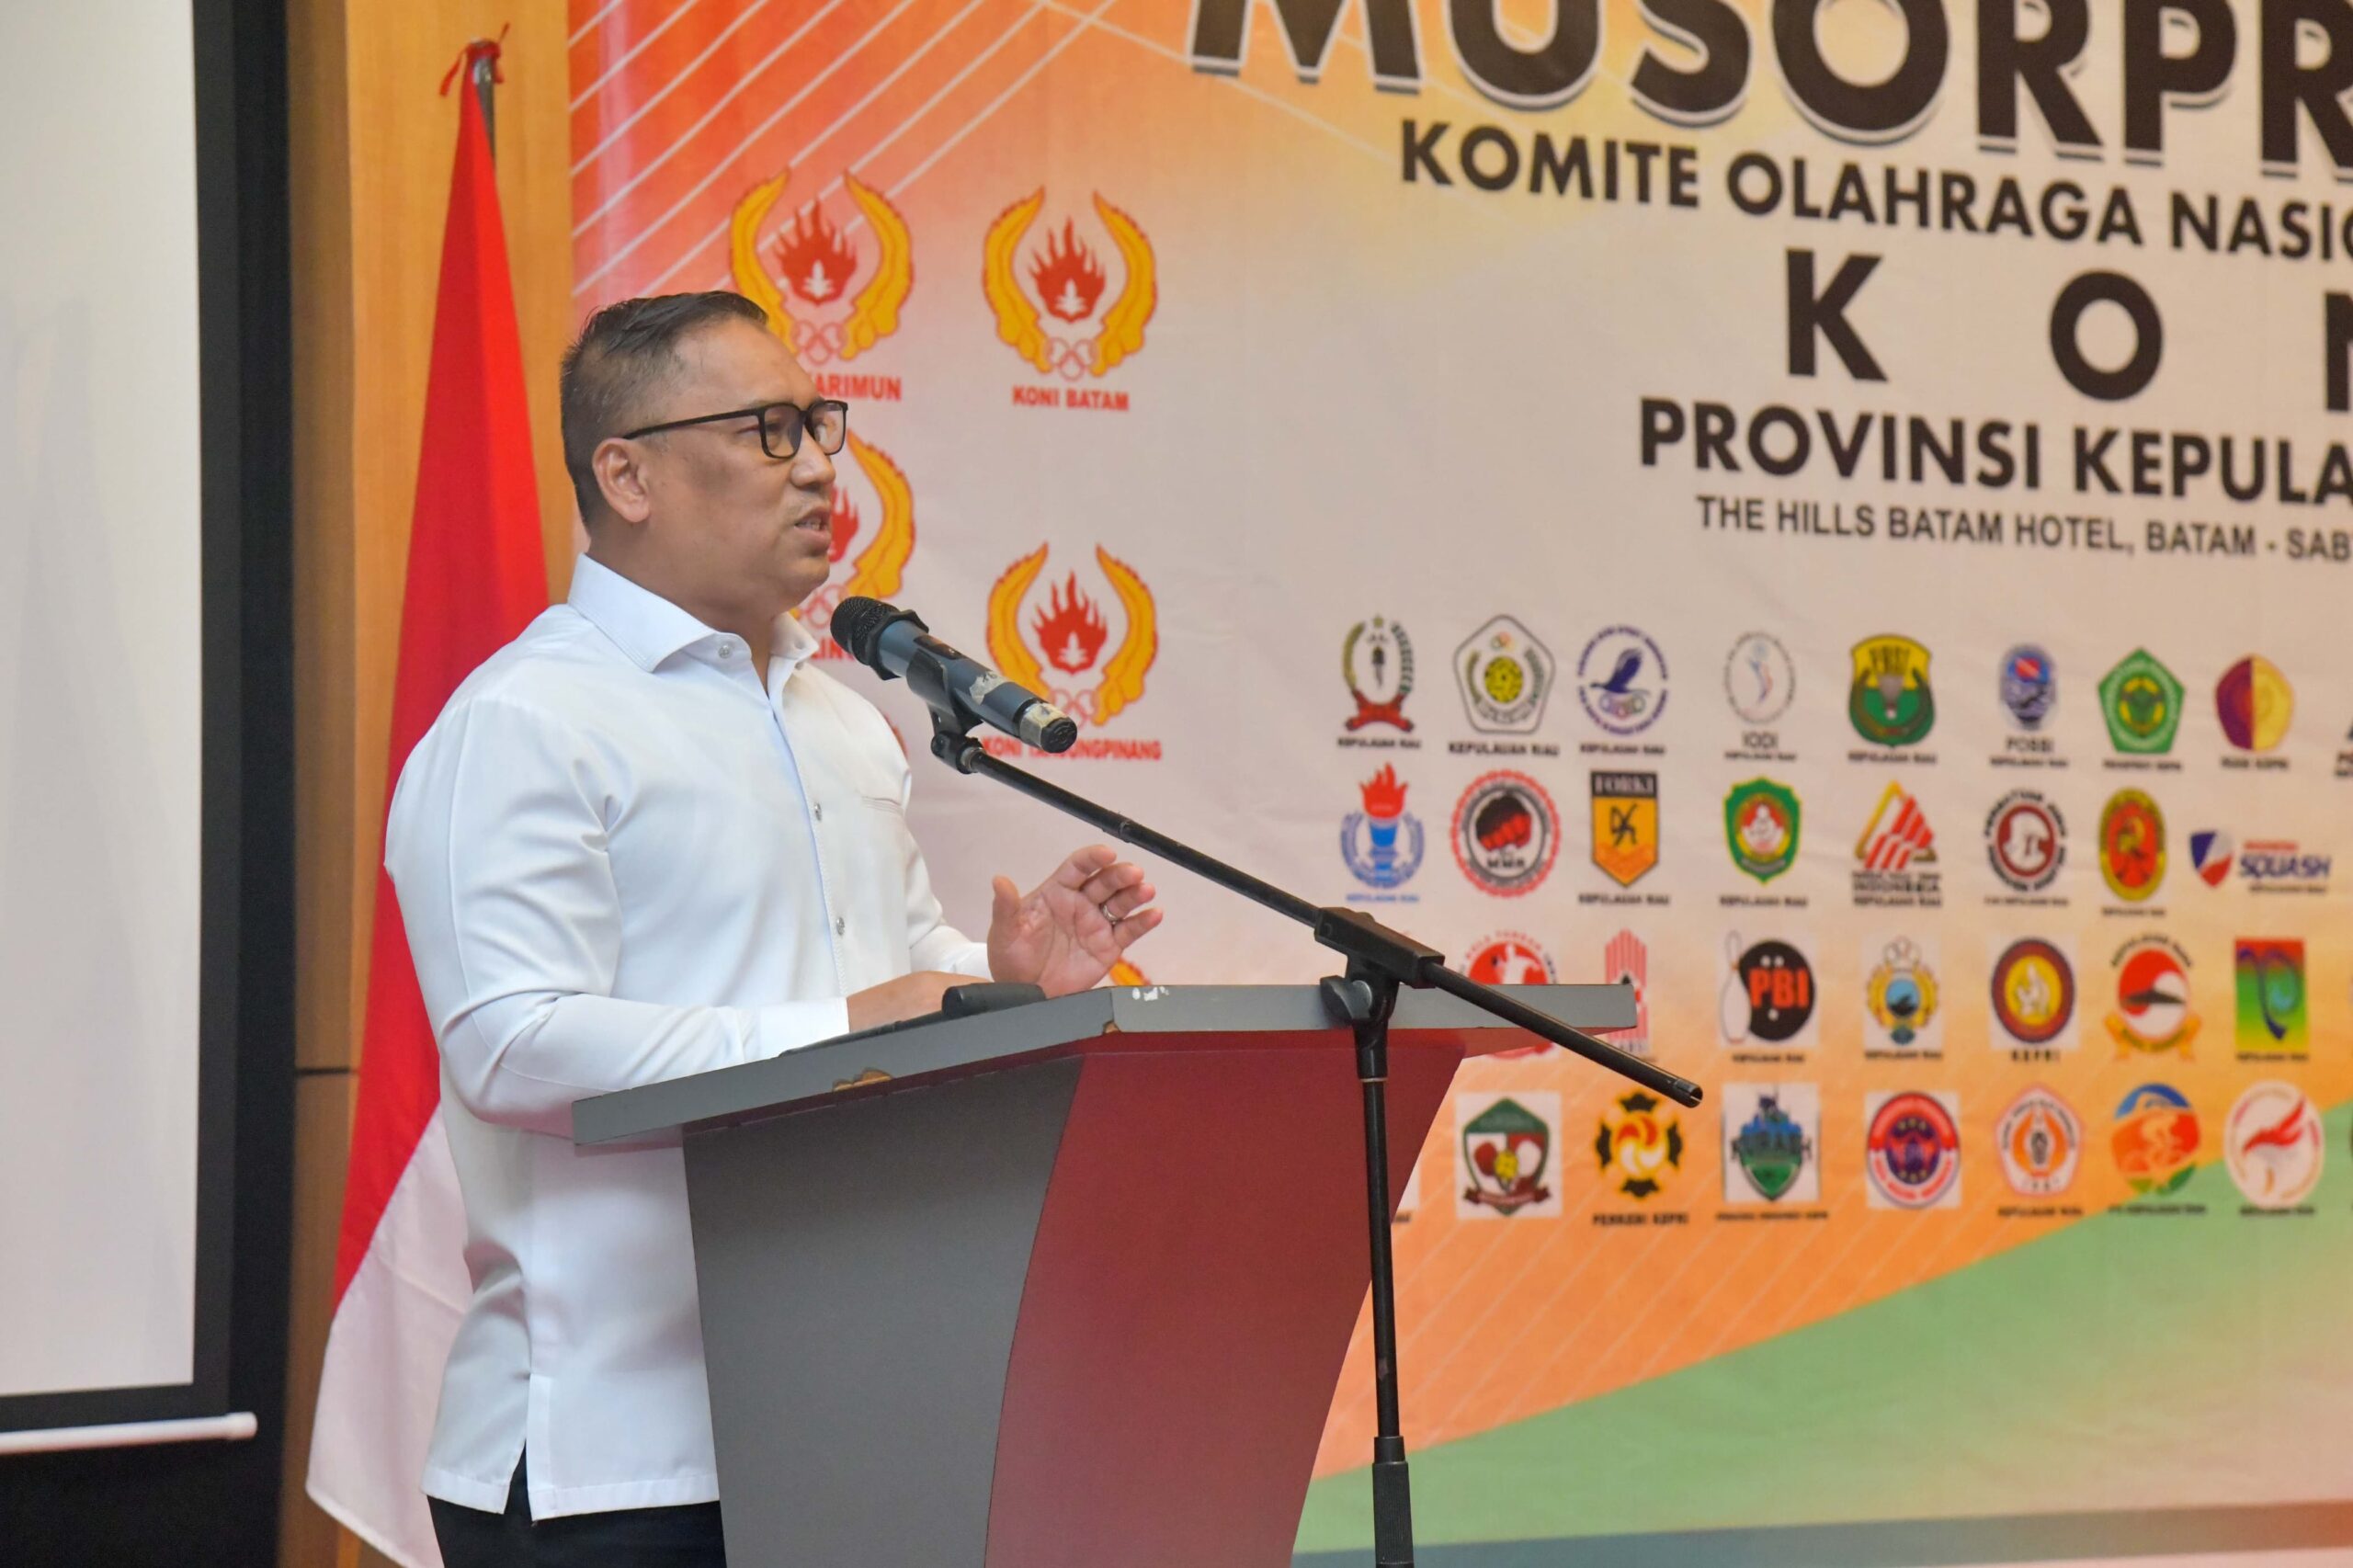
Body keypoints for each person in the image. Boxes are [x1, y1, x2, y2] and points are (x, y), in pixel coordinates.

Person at [388, 290, 1163, 1566]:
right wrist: (842, 1029)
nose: (815, 465)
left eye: (816, 424)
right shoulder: (525, 721)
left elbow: (887, 975)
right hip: (615, 1463)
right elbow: (513, 1047)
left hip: (853, 1425)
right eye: (765, 430)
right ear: (626, 475)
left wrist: (997, 977)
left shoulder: (842, 719)